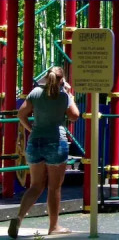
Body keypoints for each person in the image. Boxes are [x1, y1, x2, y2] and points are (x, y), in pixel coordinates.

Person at [11, 66, 80, 238]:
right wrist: (71, 96)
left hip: (35, 142)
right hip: (56, 143)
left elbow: (21, 114)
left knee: (35, 185)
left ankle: (19, 218)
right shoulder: (64, 96)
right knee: (54, 187)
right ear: (62, 80)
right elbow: (75, 116)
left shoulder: (35, 92)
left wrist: (31, 129)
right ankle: (53, 226)